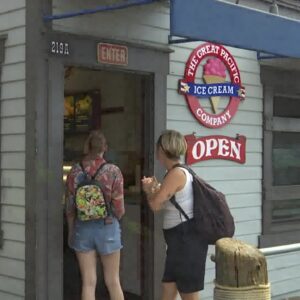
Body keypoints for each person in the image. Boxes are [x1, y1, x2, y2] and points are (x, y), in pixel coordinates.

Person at [141, 130, 208, 300]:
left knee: (188, 294)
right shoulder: (178, 172)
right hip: (179, 241)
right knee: (168, 287)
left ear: (163, 150)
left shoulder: (176, 174)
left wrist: (149, 191)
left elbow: (156, 205)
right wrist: (155, 190)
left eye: (157, 148)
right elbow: (166, 201)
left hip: (186, 241)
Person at [65, 130, 125, 300]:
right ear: (104, 148)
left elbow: (70, 207)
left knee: (88, 282)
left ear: (87, 147)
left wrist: (71, 231)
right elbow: (119, 208)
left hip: (82, 228)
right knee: (113, 281)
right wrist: (114, 221)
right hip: (107, 227)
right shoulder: (113, 171)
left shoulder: (75, 171)